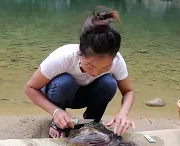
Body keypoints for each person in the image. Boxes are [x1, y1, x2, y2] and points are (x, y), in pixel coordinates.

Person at [24, 6, 135, 138]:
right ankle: (59, 121)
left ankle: (92, 121)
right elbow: (30, 88)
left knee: (109, 83)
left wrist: (123, 113)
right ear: (80, 54)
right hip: (58, 93)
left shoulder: (117, 61)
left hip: (85, 95)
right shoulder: (63, 57)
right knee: (65, 82)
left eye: (105, 67)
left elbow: (128, 91)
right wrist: (55, 111)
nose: (95, 73)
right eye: (91, 65)